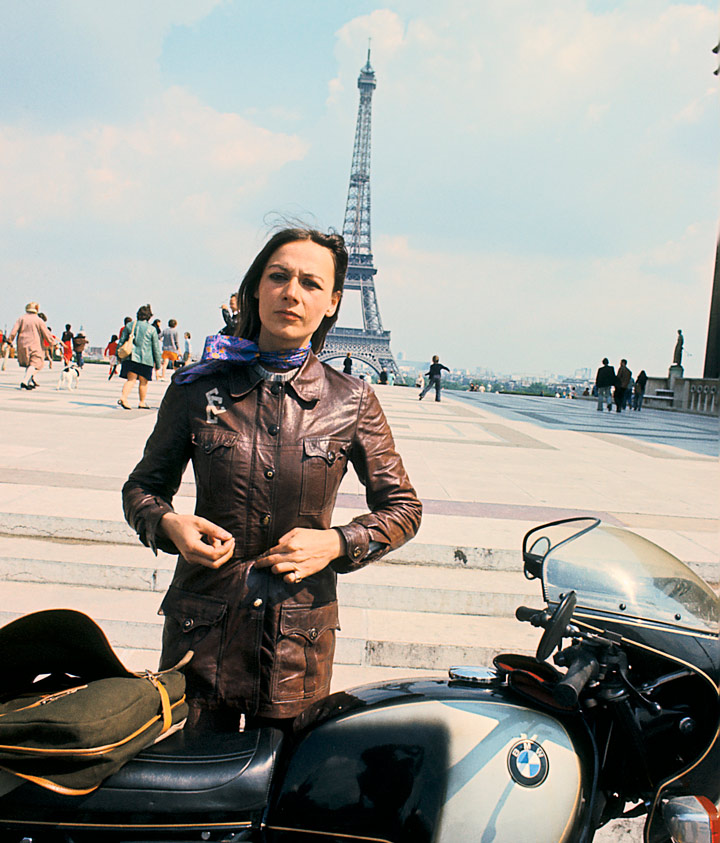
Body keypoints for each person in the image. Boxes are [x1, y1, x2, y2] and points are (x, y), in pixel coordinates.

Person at [122, 227, 422, 733]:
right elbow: (143, 488)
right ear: (255, 290)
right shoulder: (204, 390)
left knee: (280, 794)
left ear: (332, 302)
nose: (291, 292)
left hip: (295, 648)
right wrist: (169, 524)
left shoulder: (350, 401)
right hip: (200, 638)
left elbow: (403, 507)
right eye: (278, 276)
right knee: (191, 795)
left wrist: (336, 543)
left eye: (310, 282)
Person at [117, 304, 162, 410]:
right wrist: (158, 363)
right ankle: (142, 402)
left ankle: (124, 397)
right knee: (143, 382)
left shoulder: (129, 326)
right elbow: (155, 347)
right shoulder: (152, 329)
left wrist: (118, 356)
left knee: (131, 380)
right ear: (149, 316)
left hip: (130, 357)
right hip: (146, 359)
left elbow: (121, 342)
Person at [8, 302, 56, 390]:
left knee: (28, 364)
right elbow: (46, 333)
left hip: (22, 344)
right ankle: (25, 381)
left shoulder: (21, 318)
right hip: (35, 344)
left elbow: (14, 331)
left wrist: (9, 340)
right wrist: (52, 342)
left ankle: (29, 382)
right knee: (34, 363)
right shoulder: (38, 320)